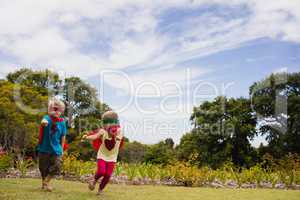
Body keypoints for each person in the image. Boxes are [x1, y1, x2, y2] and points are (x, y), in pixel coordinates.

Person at [82, 110, 124, 195]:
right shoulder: (102, 131)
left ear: (115, 123)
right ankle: (94, 180)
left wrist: (114, 136)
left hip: (112, 157)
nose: (108, 125)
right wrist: (87, 137)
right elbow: (95, 136)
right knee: (101, 171)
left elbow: (118, 138)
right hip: (102, 155)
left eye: (111, 122)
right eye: (106, 123)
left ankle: (100, 190)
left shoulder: (119, 131)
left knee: (108, 175)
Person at [37, 98, 67, 191]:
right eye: (54, 108)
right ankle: (44, 183)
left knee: (58, 165)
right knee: (43, 168)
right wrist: (44, 123)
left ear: (61, 111)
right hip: (44, 148)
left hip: (56, 149)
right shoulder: (47, 118)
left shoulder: (62, 122)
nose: (56, 111)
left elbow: (63, 136)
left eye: (58, 109)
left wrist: (61, 149)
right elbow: (43, 122)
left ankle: (47, 181)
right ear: (49, 109)